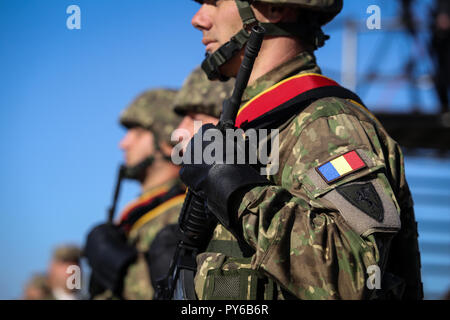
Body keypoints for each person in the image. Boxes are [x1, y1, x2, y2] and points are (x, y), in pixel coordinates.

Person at [178, 0, 423, 300]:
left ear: (276, 8)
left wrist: (240, 194)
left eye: (215, 1)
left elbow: (357, 278)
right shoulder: (260, 127)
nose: (198, 19)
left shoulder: (326, 122)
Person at [84, 89, 185, 300]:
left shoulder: (184, 212)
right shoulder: (142, 212)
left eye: (138, 133)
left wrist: (122, 271)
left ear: (167, 143)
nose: (124, 144)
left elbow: (178, 296)